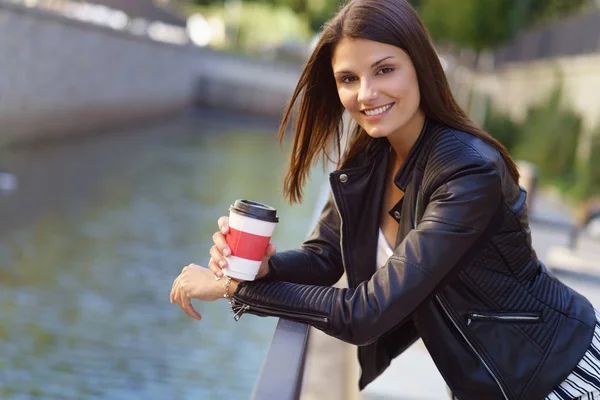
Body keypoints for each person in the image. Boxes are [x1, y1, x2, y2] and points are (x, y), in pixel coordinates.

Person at [169, 1, 600, 399]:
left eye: (385, 70)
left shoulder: (468, 172)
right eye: (348, 79)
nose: (366, 94)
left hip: (560, 375)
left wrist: (232, 288)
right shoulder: (370, 156)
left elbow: (366, 314)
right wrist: (260, 266)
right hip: (486, 383)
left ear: (420, 67)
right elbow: (323, 257)